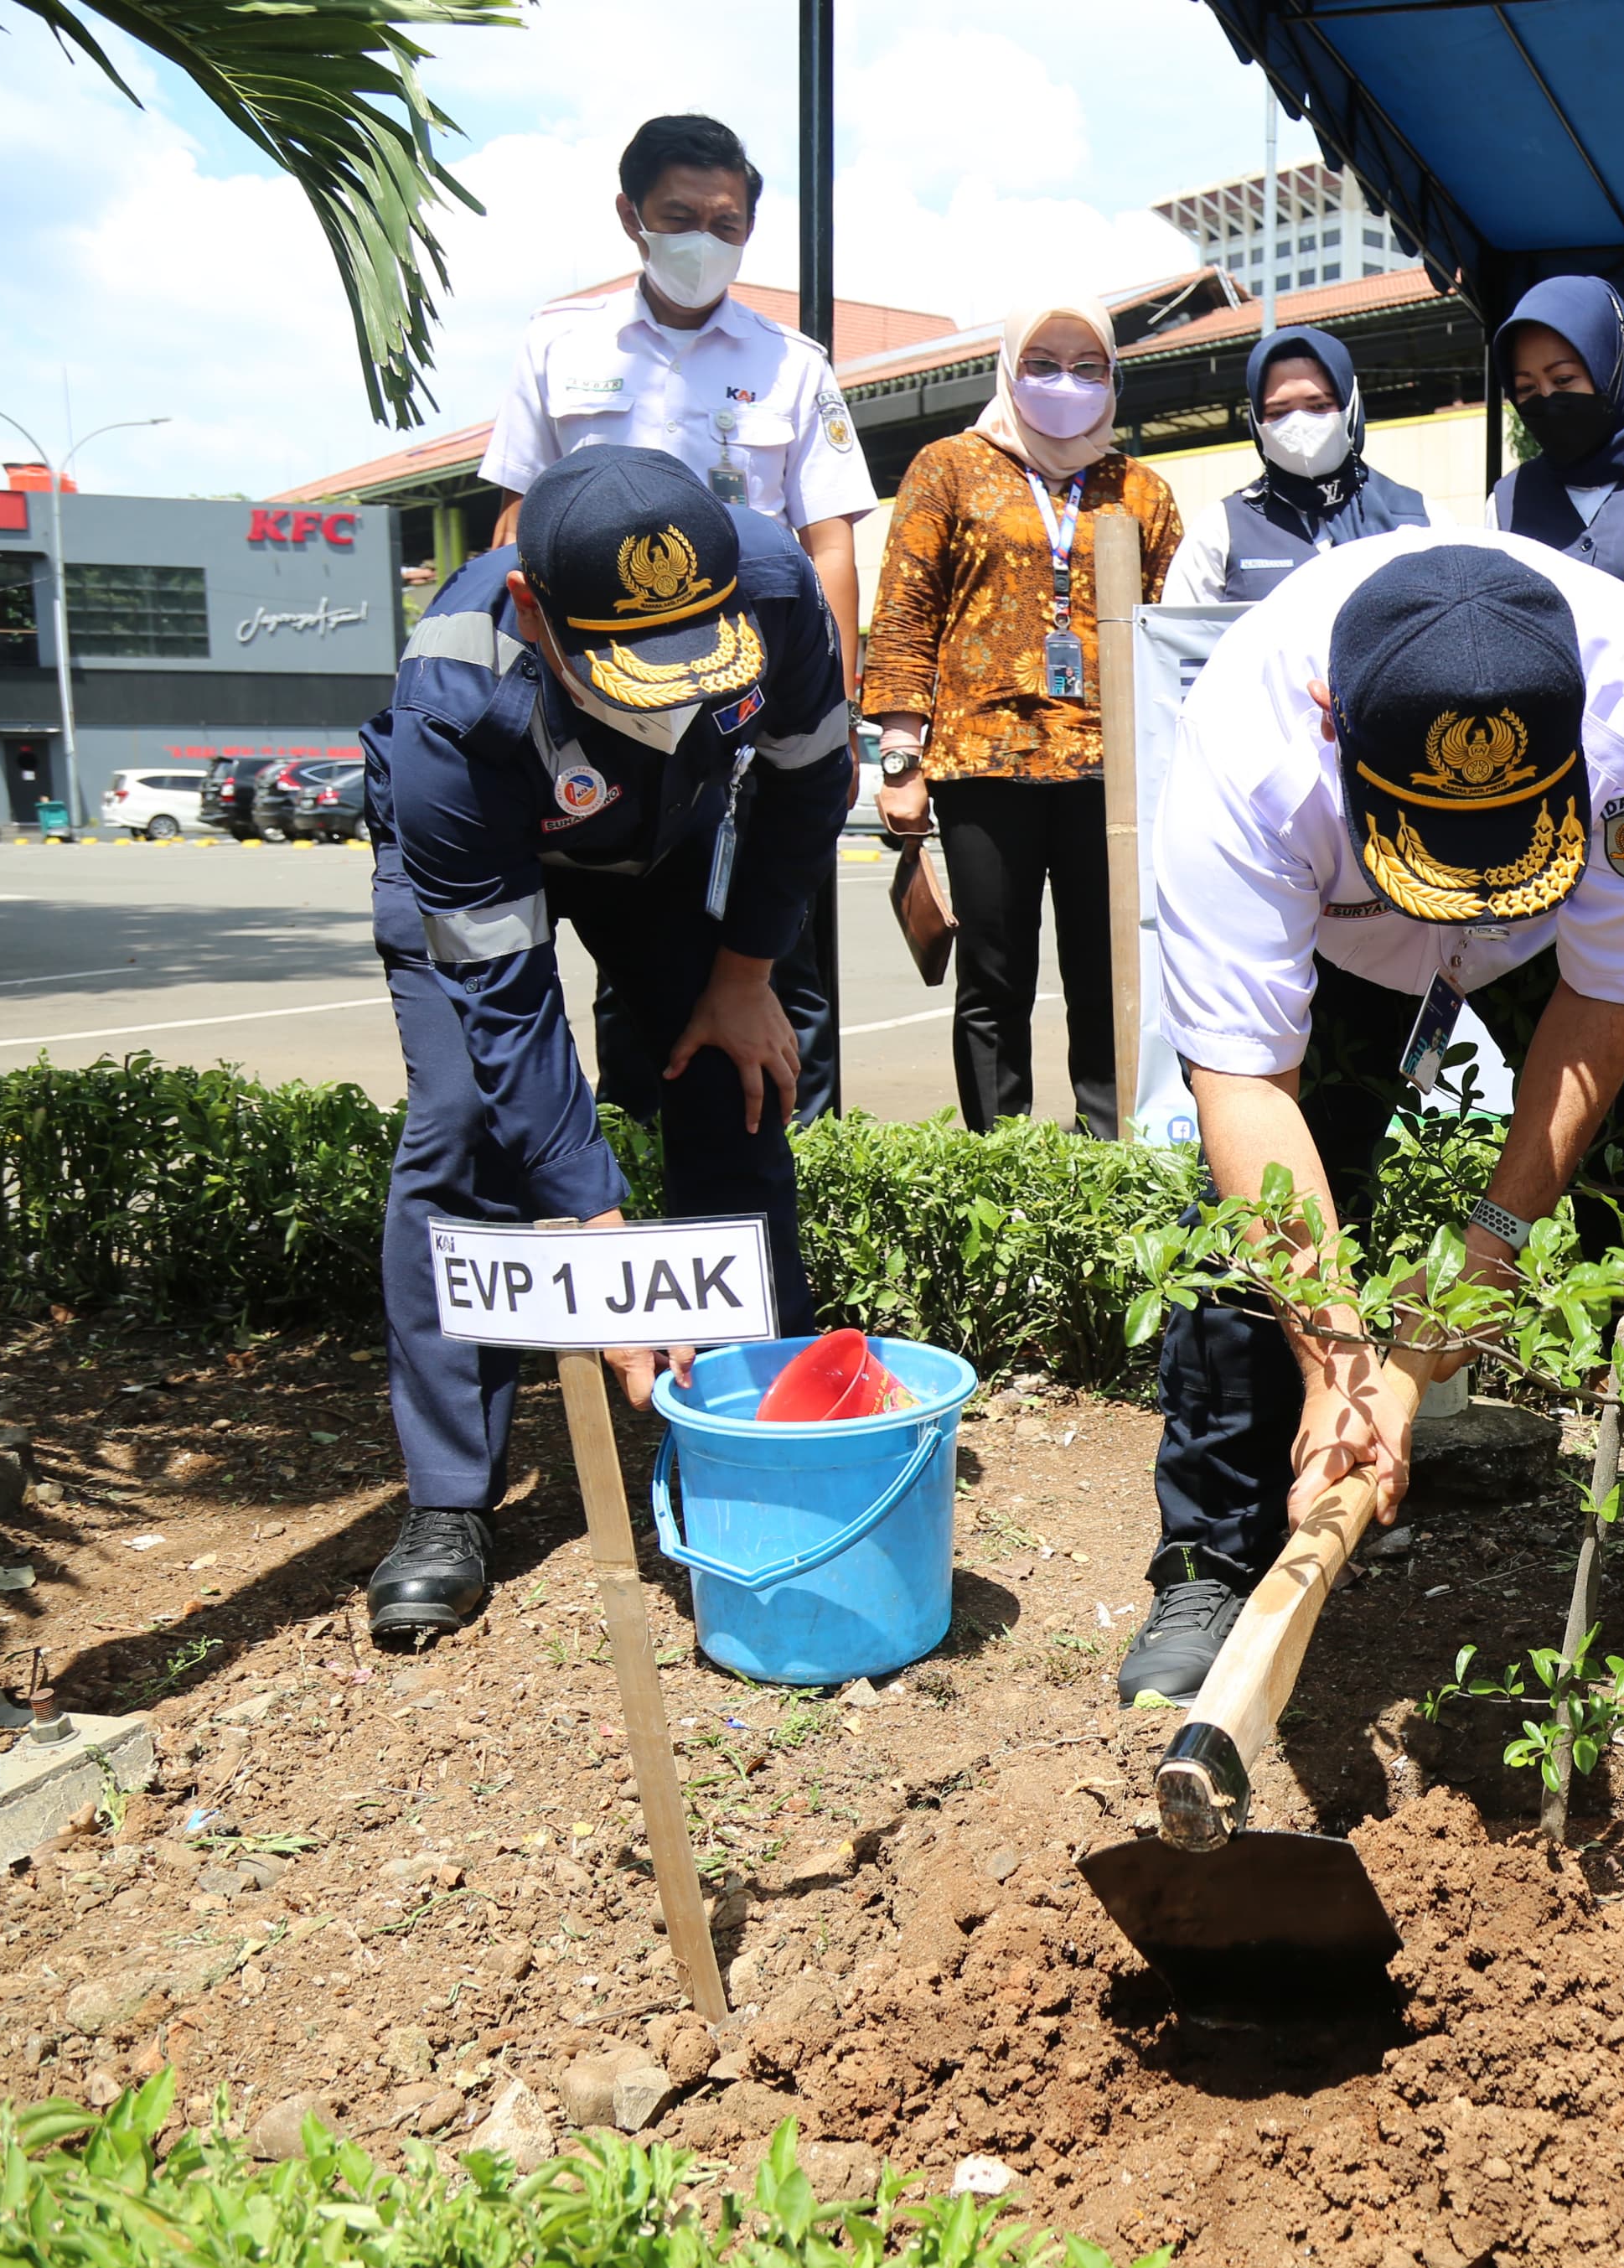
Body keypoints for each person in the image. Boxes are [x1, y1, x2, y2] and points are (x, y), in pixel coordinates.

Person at [1123, 535, 1624, 1704]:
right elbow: (1247, 1084)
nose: (1462, 887)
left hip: (1550, 939)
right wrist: (1347, 1362)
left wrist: (1490, 1255)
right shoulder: (1248, 743)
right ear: (1330, 719)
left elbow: (1611, 994)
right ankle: (1216, 1550)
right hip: (1341, 928)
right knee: (1247, 1228)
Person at [360, 446, 854, 1646]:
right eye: (629, 668)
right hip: (488, 856)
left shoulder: (778, 589)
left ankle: (748, 1418)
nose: (668, 695)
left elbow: (805, 785)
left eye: (695, 658)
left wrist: (744, 977)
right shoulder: (451, 698)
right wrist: (598, 1236)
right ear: (533, 609)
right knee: (465, 1124)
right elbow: (506, 998)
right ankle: (448, 1499)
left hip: (671, 845)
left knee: (734, 1079)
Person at [478, 111, 867, 1125]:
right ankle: (644, 1149)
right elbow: (512, 525)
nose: (705, 239)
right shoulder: (558, 346)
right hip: (601, 699)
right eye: (679, 217)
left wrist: (833, 710)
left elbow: (828, 543)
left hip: (751, 693)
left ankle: (801, 1168)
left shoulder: (794, 365)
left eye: (727, 222)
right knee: (635, 957)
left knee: (780, 950)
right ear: (630, 218)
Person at [862, 284, 1181, 1137]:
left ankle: (1109, 1146)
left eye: (1086, 366)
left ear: (1114, 376)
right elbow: (904, 612)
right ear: (1007, 367)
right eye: (1042, 363)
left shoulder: (1141, 489)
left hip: (1107, 773)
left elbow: (1168, 630)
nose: (1063, 381)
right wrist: (899, 758)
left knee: (1105, 968)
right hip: (982, 761)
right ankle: (998, 1156)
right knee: (993, 976)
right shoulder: (947, 467)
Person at [1169, 325, 1433, 604]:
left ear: (1351, 407)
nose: (1299, 424)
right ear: (1256, 421)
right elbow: (1179, 640)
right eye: (1278, 412)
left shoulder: (1420, 518)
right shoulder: (1220, 530)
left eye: (1318, 406)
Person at [1491, 276, 1624, 584]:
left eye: (1564, 380)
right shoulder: (1505, 504)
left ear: (1614, 370)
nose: (1548, 399)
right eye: (1527, 387)